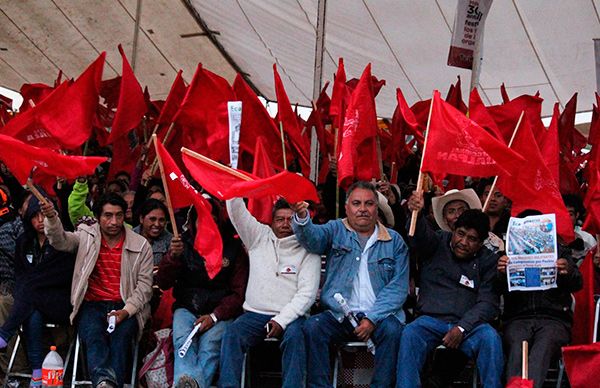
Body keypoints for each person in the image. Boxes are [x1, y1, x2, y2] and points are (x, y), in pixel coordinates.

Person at [292, 181, 409, 388]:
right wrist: (302, 218)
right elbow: (312, 240)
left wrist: (372, 319)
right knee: (313, 327)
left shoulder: (394, 241)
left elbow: (398, 288)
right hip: (339, 314)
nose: (362, 209)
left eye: (369, 204)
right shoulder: (335, 229)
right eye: (356, 203)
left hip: (380, 316)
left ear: (376, 207)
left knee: (394, 331)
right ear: (347, 208)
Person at [42, 193, 153, 388]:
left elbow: (144, 288)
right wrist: (52, 218)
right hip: (92, 304)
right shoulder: (86, 236)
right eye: (108, 216)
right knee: (93, 335)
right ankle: (104, 382)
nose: (114, 221)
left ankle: (107, 384)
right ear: (98, 217)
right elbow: (60, 241)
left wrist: (125, 312)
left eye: (119, 216)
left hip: (126, 306)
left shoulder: (141, 245)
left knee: (121, 339)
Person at [397, 191, 503, 388]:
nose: (463, 242)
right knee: (410, 333)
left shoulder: (488, 259)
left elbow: (488, 302)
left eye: (471, 239)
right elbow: (419, 235)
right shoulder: (437, 242)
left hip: (470, 326)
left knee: (491, 338)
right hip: (430, 320)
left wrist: (462, 328)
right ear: (453, 229)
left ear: (480, 244)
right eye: (460, 234)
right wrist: (417, 214)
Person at [218, 198, 321, 388]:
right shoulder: (258, 236)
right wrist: (233, 180)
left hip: (291, 318)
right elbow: (236, 212)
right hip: (255, 314)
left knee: (296, 337)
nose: (285, 224)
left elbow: (306, 294)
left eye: (290, 219)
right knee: (232, 334)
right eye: (280, 219)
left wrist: (281, 321)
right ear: (271, 221)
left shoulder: (309, 247)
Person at [156, 202, 248, 388]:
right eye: (202, 221)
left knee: (210, 346)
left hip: (220, 311)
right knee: (183, 341)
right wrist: (172, 258)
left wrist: (215, 317)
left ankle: (189, 384)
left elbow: (239, 293)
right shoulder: (182, 244)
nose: (208, 226)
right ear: (193, 222)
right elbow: (163, 282)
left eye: (212, 221)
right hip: (187, 306)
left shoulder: (232, 247)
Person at [497, 210, 583, 388]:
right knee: (517, 348)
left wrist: (566, 271)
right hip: (518, 318)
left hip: (554, 320)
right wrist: (500, 273)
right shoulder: (506, 253)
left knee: (541, 349)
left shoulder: (561, 252)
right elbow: (493, 288)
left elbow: (578, 283)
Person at [0, 194, 75, 386]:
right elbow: (19, 273)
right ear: (28, 218)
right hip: (33, 301)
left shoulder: (64, 240)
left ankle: (4, 334)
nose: (40, 221)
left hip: (59, 300)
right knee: (32, 309)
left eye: (44, 215)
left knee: (30, 291)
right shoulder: (24, 241)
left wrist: (32, 283)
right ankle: (37, 371)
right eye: (35, 216)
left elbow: (61, 277)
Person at [563, 194, 597, 262]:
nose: (566, 218)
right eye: (563, 214)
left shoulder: (587, 237)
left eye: (570, 214)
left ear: (577, 215)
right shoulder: (552, 236)